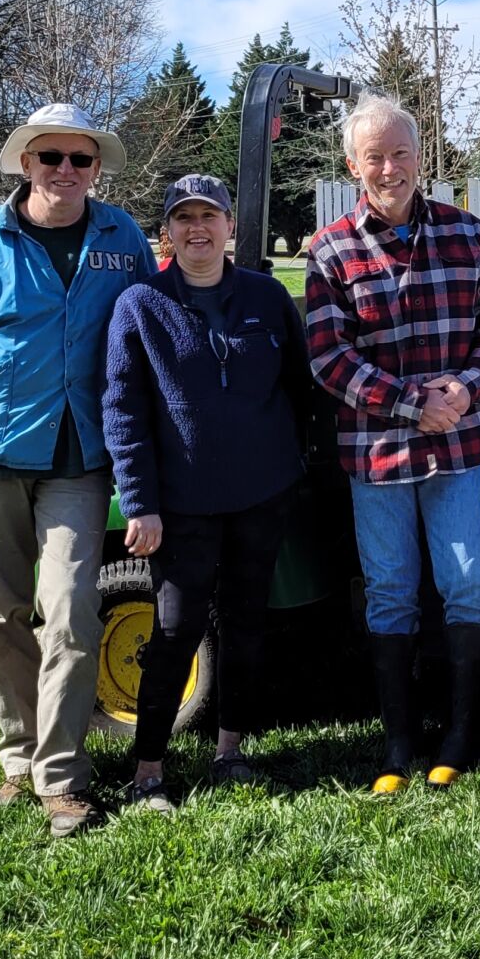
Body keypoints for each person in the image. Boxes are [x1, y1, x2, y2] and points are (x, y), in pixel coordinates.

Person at [0, 101, 156, 838]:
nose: (66, 172)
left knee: (73, 611)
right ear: (25, 163)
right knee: (1, 617)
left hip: (82, 460)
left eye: (81, 160)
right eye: (51, 158)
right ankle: (20, 759)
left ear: (97, 169)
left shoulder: (121, 238)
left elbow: (148, 330)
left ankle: (63, 780)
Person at [304, 95, 480, 794]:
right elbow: (328, 358)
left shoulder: (467, 234)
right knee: (391, 592)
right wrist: (408, 404)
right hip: (380, 456)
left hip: (457, 448)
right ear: (352, 165)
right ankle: (399, 743)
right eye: (375, 157)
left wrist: (468, 388)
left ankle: (462, 733)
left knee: (465, 587)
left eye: (401, 153)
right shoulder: (331, 250)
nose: (389, 168)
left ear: (421, 158)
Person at [102, 173, 311, 812]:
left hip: (260, 495)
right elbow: (122, 409)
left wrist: (294, 467)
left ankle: (231, 752)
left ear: (231, 228)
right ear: (167, 232)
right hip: (181, 507)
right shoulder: (140, 304)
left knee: (246, 622)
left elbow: (300, 389)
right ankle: (149, 772)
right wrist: (140, 502)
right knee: (174, 628)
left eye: (210, 216)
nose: (198, 228)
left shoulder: (267, 297)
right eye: (184, 217)